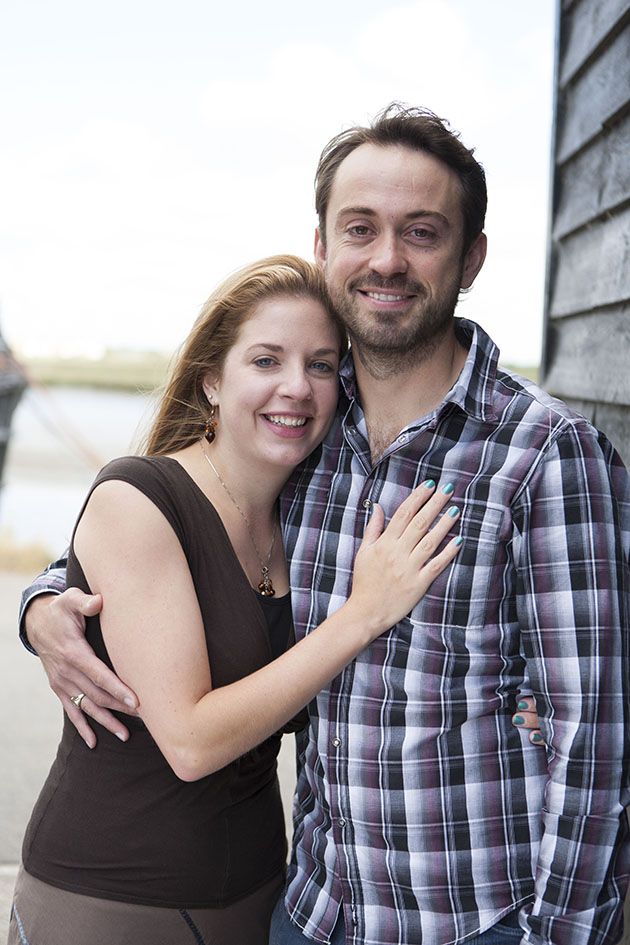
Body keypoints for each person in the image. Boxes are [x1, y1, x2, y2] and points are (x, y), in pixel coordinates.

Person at [19, 105, 630, 945]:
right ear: (324, 249)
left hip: (467, 924)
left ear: (472, 256)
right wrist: (49, 601)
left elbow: (593, 743)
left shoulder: (546, 455)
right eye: (360, 228)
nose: (387, 258)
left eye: (422, 231)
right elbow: (163, 526)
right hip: (309, 910)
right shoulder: (312, 439)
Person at [9, 254, 464, 945]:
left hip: (259, 898)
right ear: (211, 382)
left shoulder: (312, 510)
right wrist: (364, 613)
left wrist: (38, 599)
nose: (296, 387)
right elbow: (190, 741)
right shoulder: (141, 494)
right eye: (265, 361)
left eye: (319, 365)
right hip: (111, 896)